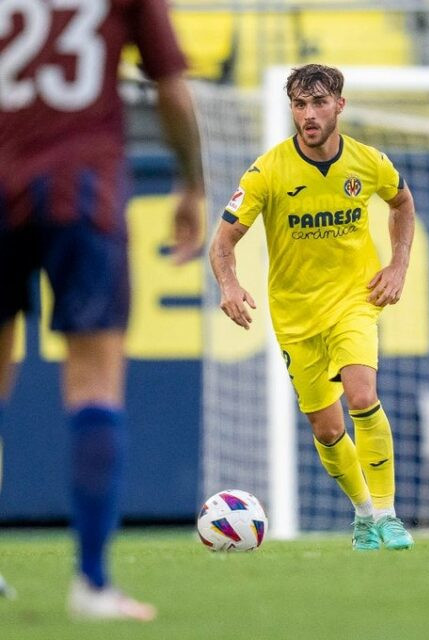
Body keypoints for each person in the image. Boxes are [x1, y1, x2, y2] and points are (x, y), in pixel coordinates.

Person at [0, 0, 203, 620]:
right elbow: (170, 85)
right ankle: (91, 584)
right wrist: (192, 183)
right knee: (95, 381)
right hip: (83, 190)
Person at [210, 63, 415, 551]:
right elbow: (223, 242)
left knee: (362, 395)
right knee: (327, 429)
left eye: (319, 103)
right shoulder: (267, 172)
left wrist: (398, 265)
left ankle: (388, 515)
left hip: (354, 301)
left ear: (339, 105)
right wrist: (231, 285)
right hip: (296, 315)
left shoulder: (369, 162)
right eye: (300, 105)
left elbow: (401, 204)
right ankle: (364, 514)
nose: (309, 114)